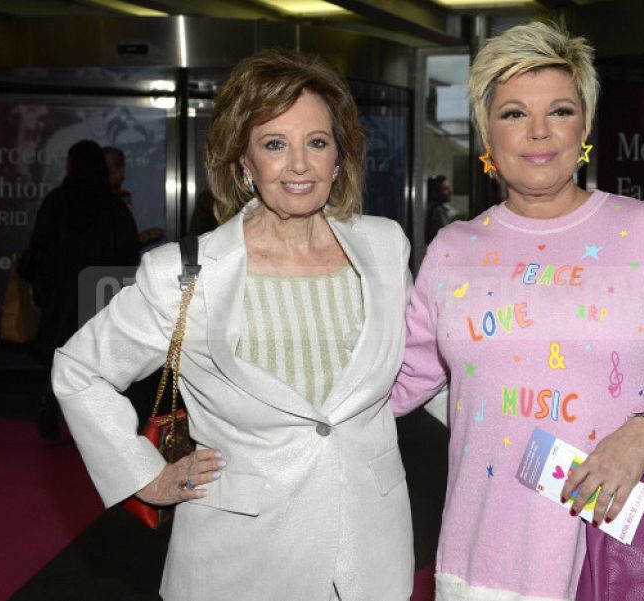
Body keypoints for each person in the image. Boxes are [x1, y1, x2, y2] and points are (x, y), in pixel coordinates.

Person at [390, 21, 644, 600]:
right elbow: (396, 383)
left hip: (626, 559)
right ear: (486, 134)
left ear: (585, 125)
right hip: (483, 564)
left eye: (560, 110)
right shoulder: (453, 251)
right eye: (513, 114)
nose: (539, 132)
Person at [53, 49, 414, 601]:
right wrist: (146, 475)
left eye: (316, 142)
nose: (299, 164)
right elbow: (79, 370)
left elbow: (431, 366)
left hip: (368, 551)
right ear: (244, 164)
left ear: (339, 158)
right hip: (238, 560)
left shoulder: (385, 248)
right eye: (275, 144)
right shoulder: (181, 272)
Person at [23, 139, 140, 440]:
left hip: (61, 302)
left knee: (59, 361)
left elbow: (40, 252)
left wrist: (45, 293)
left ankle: (51, 413)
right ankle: (95, 426)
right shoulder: (114, 208)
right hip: (100, 301)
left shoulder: (56, 203)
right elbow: (128, 257)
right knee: (98, 366)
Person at [103, 145, 165, 248]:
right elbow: (123, 241)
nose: (124, 174)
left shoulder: (85, 197)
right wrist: (148, 235)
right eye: (123, 167)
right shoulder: (118, 199)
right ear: (115, 169)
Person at [425, 174, 460, 242]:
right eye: (445, 189)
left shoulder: (438, 208)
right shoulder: (437, 211)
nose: (450, 192)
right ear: (434, 193)